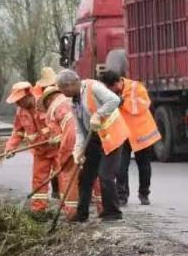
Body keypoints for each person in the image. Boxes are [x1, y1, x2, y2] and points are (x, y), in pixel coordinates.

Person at [56, 69, 128, 222]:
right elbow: (80, 130)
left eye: (64, 89)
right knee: (86, 176)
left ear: (72, 84)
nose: (63, 93)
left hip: (111, 136)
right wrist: (78, 151)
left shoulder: (92, 87)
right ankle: (81, 214)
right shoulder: (73, 102)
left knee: (105, 175)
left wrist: (98, 114)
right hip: (94, 139)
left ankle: (113, 213)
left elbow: (114, 100)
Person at [38, 85, 103, 220]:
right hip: (89, 136)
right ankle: (103, 208)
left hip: (72, 139)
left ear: (48, 100)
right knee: (94, 174)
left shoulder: (51, 111)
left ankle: (72, 212)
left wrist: (59, 154)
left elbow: (57, 136)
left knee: (68, 174)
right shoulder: (73, 99)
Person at [99, 70, 160, 206]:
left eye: (110, 88)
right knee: (121, 167)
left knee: (144, 166)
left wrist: (122, 102)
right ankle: (122, 196)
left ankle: (144, 193)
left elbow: (142, 105)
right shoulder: (110, 93)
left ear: (116, 83)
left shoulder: (136, 87)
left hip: (141, 133)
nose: (109, 91)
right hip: (122, 133)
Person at [4, 81, 59, 214]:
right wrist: (10, 147)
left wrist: (57, 135)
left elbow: (62, 122)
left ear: (28, 95)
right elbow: (18, 131)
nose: (18, 104)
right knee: (38, 181)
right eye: (16, 101)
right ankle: (39, 210)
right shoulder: (21, 112)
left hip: (58, 149)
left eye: (20, 100)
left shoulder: (46, 103)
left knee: (64, 178)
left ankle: (69, 211)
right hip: (40, 151)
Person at [33, 66, 60, 198]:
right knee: (42, 175)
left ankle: (68, 200)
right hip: (44, 145)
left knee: (62, 170)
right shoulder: (38, 101)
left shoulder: (63, 97)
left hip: (59, 143)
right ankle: (51, 197)